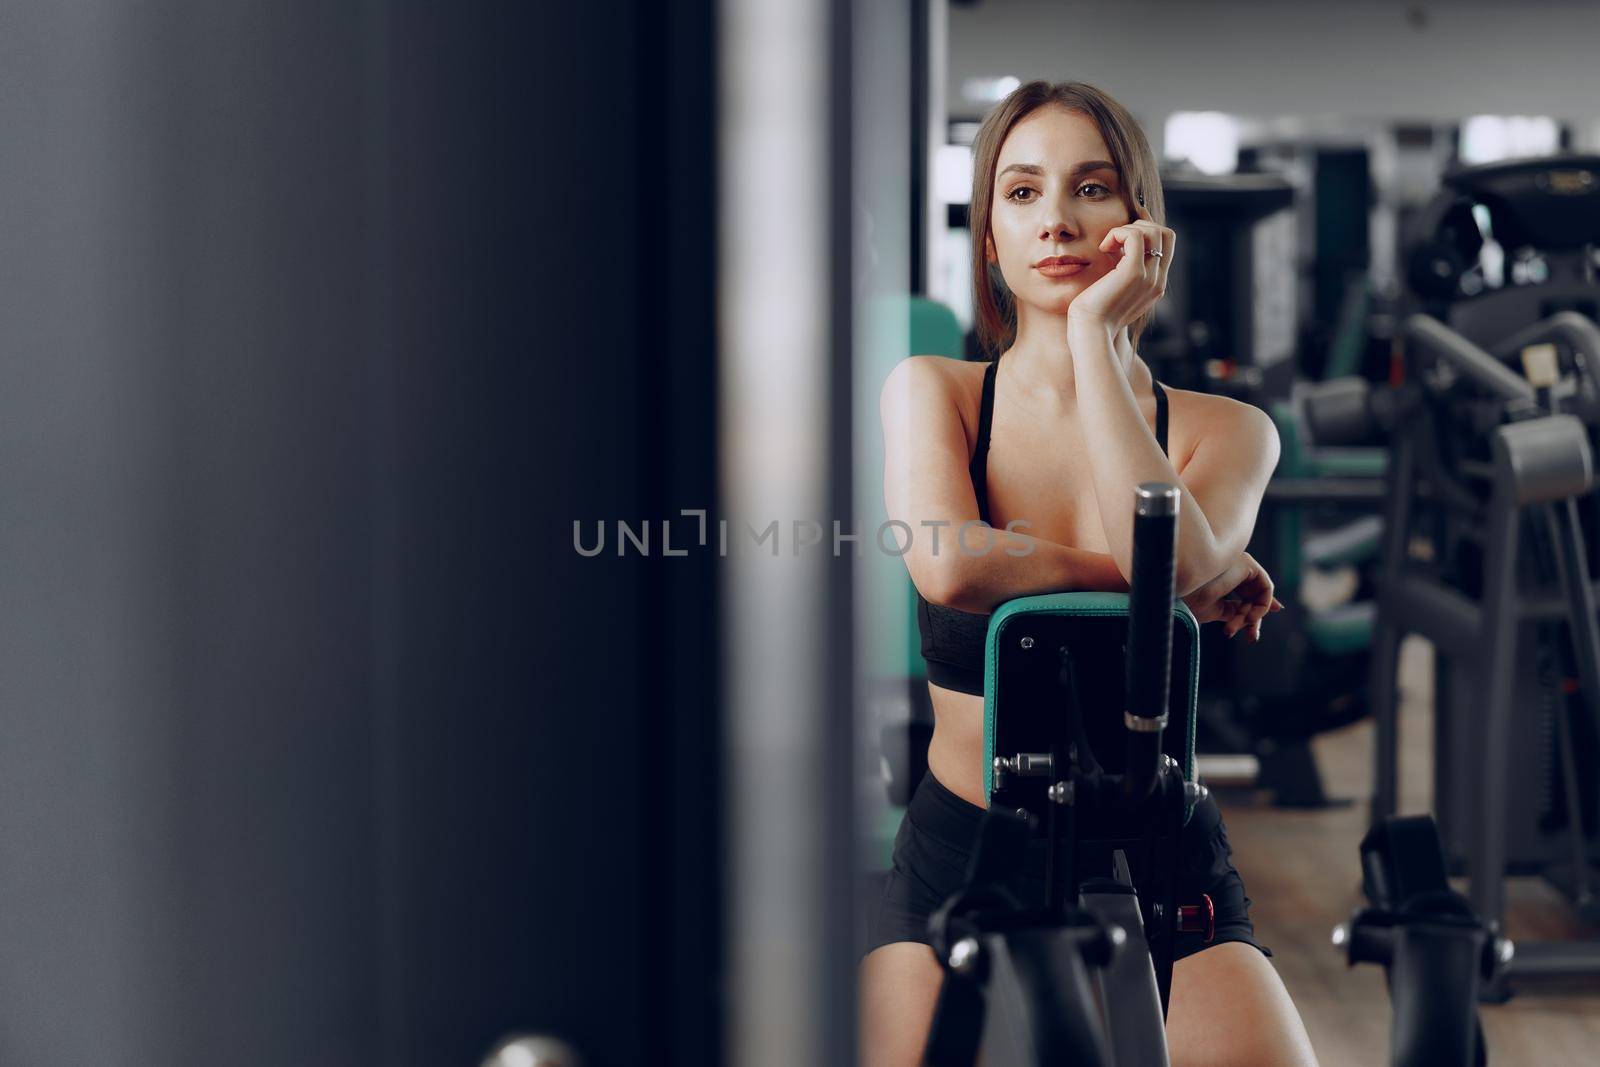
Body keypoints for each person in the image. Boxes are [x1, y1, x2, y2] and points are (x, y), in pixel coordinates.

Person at [860, 81, 1320, 1067]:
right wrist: (1149, 570)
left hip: (1160, 852)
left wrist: (1093, 343)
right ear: (988, 236)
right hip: (961, 851)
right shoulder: (934, 389)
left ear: (1139, 224)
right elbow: (946, 561)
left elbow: (1187, 567)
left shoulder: (1230, 428)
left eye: (1092, 188)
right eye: (1021, 194)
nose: (1057, 220)